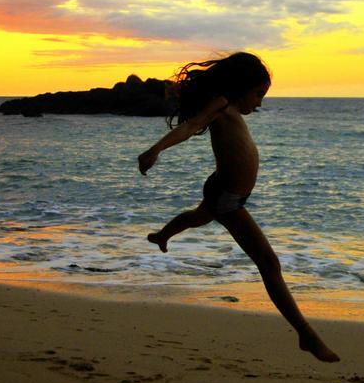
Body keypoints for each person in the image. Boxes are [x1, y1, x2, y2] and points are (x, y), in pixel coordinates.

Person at [138, 52, 340, 363]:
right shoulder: (220, 105)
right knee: (268, 263)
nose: (259, 104)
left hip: (225, 193)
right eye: (258, 94)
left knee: (198, 216)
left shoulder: (230, 109)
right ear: (240, 87)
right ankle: (306, 335)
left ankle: (162, 236)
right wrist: (156, 150)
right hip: (227, 199)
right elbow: (191, 127)